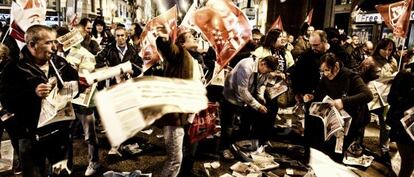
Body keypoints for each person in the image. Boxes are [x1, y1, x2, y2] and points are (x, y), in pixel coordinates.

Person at [0, 24, 79, 177]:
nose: (54, 47)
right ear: (32, 45)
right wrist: (33, 93)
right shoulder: (14, 68)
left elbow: (75, 84)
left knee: (62, 173)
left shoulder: (60, 63)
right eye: (49, 42)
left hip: (59, 133)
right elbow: (7, 101)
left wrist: (73, 87)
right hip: (30, 136)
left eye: (55, 42)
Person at [304, 53, 372, 162]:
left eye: (327, 70)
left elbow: (368, 95)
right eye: (323, 71)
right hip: (331, 121)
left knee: (338, 154)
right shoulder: (325, 77)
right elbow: (319, 94)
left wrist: (343, 101)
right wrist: (311, 97)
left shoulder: (351, 76)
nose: (325, 74)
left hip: (349, 122)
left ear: (336, 66)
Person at [154, 26, 203, 177]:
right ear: (182, 44)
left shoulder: (192, 58)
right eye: (190, 37)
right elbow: (169, 49)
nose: (195, 38)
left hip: (185, 114)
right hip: (174, 116)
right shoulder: (180, 54)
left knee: (183, 153)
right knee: (175, 160)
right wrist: (163, 39)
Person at [220, 55, 278, 159]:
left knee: (244, 123)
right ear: (263, 63)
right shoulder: (246, 66)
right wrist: (257, 105)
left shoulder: (264, 70)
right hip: (232, 96)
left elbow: (262, 83)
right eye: (267, 70)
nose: (266, 73)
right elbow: (242, 90)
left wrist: (260, 95)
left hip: (246, 99)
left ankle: (238, 146)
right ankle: (224, 148)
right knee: (228, 125)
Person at [359, 38, 398, 160]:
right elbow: (360, 79)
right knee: (363, 120)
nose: (387, 52)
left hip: (386, 98)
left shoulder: (393, 62)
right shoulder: (369, 61)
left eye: (390, 49)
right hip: (371, 96)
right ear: (378, 48)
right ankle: (357, 144)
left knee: (386, 124)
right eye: (384, 49)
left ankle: (384, 149)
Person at [387, 57, 414, 177]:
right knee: (408, 163)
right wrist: (408, 104)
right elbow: (392, 99)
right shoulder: (405, 74)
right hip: (402, 125)